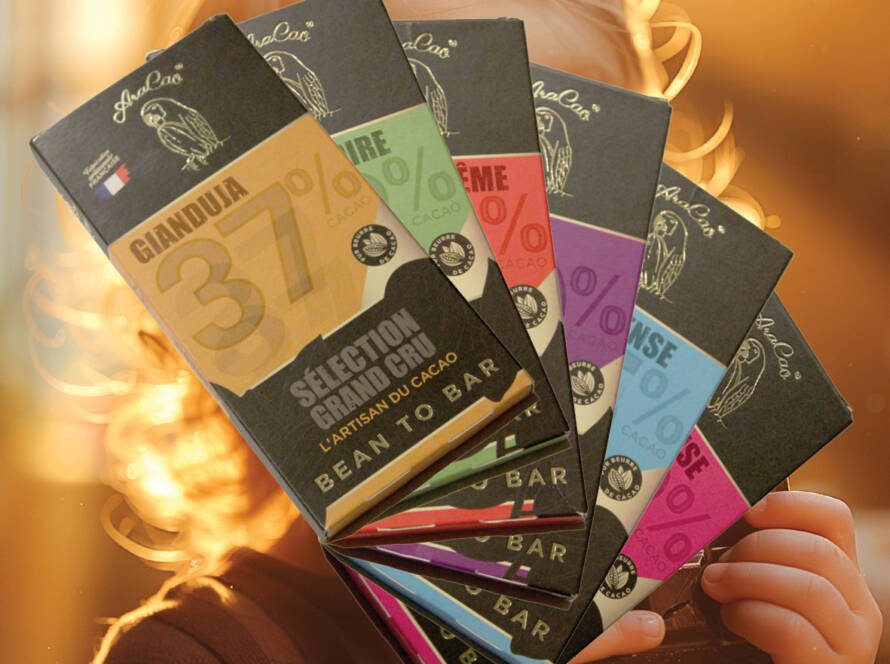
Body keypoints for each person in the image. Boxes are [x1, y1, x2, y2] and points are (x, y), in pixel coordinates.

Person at [87, 1, 882, 663]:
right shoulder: (204, 649)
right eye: (413, 160)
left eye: (552, 147)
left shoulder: (719, 605)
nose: (498, 245)